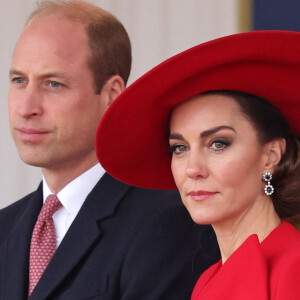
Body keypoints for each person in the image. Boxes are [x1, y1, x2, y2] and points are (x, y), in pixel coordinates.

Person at [0, 1, 220, 299]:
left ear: (112, 94)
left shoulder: (168, 224)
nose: (26, 108)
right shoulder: (5, 227)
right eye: (19, 80)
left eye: (53, 84)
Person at [96, 30, 300, 299]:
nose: (193, 169)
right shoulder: (208, 279)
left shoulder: (293, 269)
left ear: (271, 155)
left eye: (218, 143)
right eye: (179, 148)